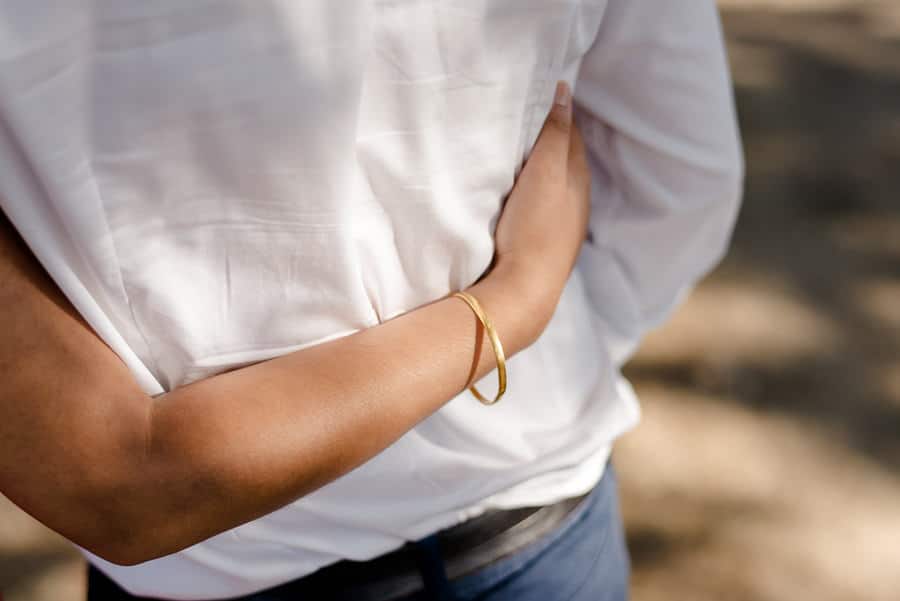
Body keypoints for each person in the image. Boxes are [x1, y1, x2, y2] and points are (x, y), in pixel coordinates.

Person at [0, 1, 743, 600]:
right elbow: (683, 170)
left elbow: (116, 478)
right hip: (527, 525)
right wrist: (522, 314)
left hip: (211, 567)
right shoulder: (524, 304)